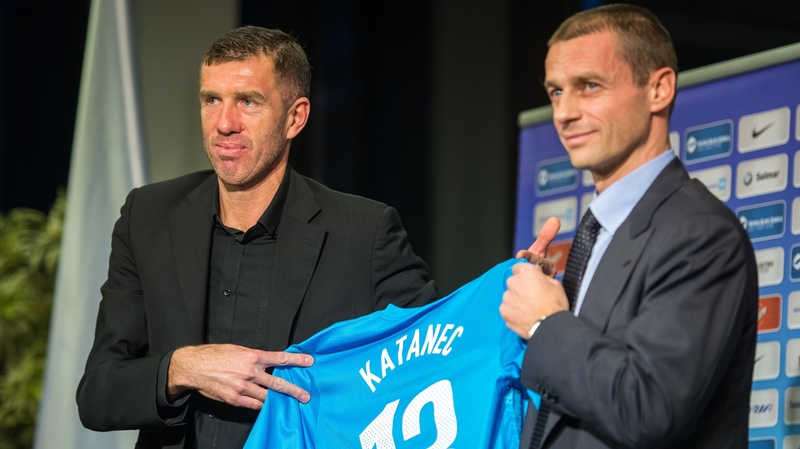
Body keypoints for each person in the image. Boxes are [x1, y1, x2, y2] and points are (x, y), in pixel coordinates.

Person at [76, 26, 438, 449]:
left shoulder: (364, 233)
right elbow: (97, 395)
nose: (224, 124)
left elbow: (434, 361)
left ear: (295, 117)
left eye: (248, 102)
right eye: (211, 100)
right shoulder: (148, 216)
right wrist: (184, 367)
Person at [500, 5, 758, 449]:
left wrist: (546, 321)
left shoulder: (700, 233)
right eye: (556, 91)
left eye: (589, 86)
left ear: (659, 89)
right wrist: (542, 317)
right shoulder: (599, 231)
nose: (564, 112)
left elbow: (649, 406)